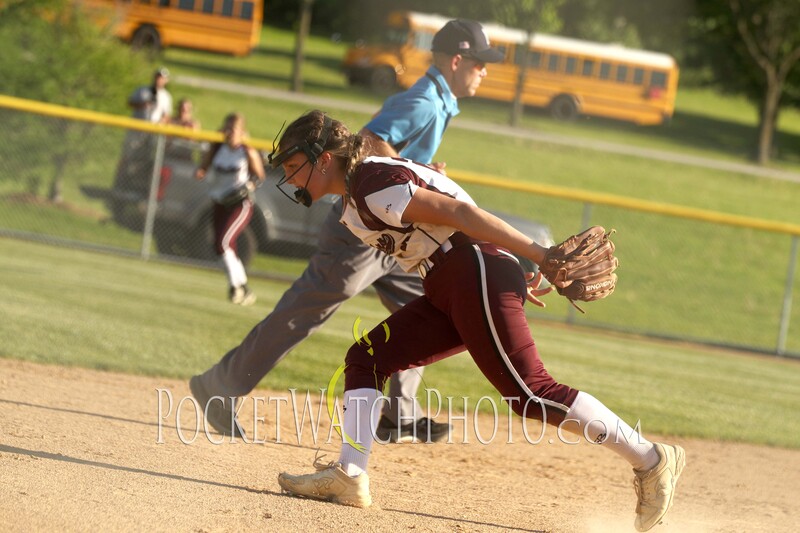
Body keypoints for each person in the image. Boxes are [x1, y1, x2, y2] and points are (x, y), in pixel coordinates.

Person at [272, 110, 686, 533]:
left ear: (323, 159)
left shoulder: (371, 185)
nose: (290, 178)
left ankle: (652, 459)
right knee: (367, 358)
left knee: (530, 393)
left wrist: (536, 256)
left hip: (469, 270)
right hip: (452, 281)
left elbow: (462, 216)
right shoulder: (363, 187)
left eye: (293, 166)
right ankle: (350, 476)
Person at [189, 19, 504, 442]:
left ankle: (400, 415)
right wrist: (415, 172)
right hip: (363, 230)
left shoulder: (437, 101)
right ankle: (220, 387)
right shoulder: (426, 100)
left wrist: (418, 170)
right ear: (457, 60)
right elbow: (370, 141)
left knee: (428, 307)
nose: (484, 71)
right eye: (480, 63)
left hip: (391, 233)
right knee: (305, 310)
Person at [195, 113, 265, 305]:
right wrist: (201, 171)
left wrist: (249, 186)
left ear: (242, 132)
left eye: (233, 129)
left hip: (239, 203)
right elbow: (203, 166)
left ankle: (235, 287)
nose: (228, 133)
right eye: (226, 128)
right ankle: (244, 288)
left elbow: (259, 175)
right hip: (219, 202)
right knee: (224, 248)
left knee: (223, 242)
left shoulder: (246, 151)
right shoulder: (217, 147)